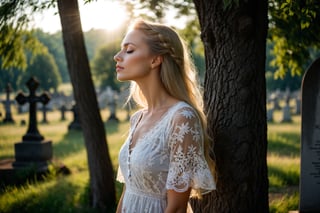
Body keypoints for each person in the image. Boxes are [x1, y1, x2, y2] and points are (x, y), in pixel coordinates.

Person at [114, 19, 216, 213]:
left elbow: (177, 208)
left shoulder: (181, 118)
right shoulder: (138, 118)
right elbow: (129, 191)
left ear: (155, 59)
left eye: (129, 50)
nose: (117, 57)